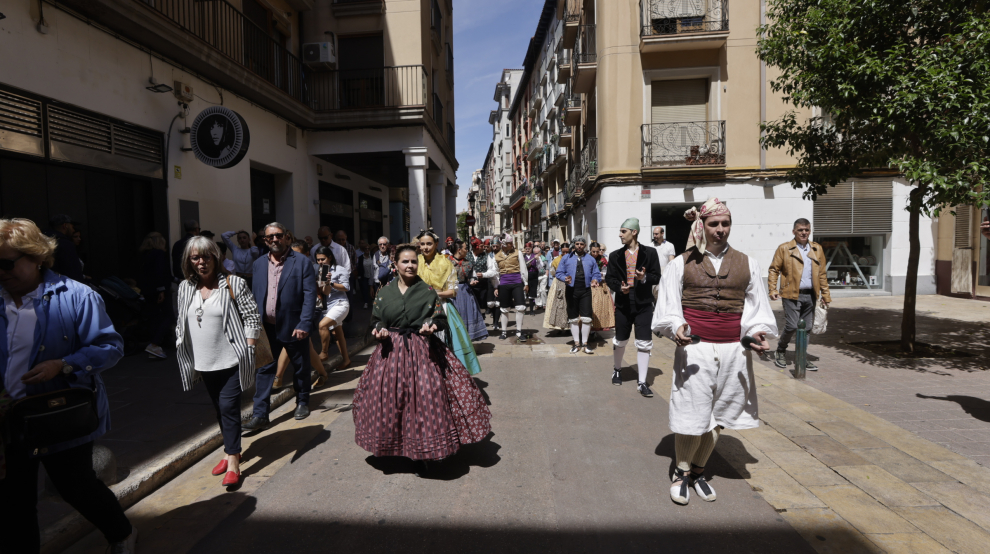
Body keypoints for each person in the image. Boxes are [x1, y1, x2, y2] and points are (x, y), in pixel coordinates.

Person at [0, 218, 136, 554]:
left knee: (76, 488)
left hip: (57, 416)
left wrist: (63, 364)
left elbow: (110, 347)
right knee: (14, 501)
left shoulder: (76, 296)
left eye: (6, 262)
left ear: (35, 257)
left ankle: (121, 532)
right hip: (8, 422)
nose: (0, 271)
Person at [651, 198, 777, 506]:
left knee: (721, 412)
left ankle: (699, 471)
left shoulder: (748, 263)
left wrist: (756, 337)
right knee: (692, 410)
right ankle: (681, 473)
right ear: (702, 227)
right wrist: (677, 327)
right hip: (695, 350)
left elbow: (755, 311)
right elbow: (668, 307)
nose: (720, 229)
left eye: (725, 223)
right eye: (714, 224)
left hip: (734, 351)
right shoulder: (680, 263)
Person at [352, 243, 491, 471]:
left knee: (427, 396)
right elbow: (376, 320)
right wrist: (379, 330)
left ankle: (427, 450)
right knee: (389, 399)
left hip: (422, 350)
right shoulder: (385, 292)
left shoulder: (427, 290)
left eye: (413, 261)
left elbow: (440, 319)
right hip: (390, 353)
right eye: (405, 261)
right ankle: (395, 447)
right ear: (395, 265)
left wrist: (431, 325)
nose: (410, 265)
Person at [175, 237, 261, 488]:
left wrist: (250, 348)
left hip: (232, 358)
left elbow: (252, 316)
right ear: (189, 261)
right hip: (203, 361)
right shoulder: (184, 288)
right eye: (195, 258)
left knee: (228, 408)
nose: (201, 262)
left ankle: (234, 461)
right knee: (219, 409)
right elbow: (183, 321)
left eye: (206, 257)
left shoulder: (233, 284)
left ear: (216, 257)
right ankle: (229, 450)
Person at [245, 222, 317, 429]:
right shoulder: (258, 264)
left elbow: (310, 295)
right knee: (264, 369)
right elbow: (255, 296)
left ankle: (302, 401)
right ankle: (260, 414)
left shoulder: (302, 262)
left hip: (294, 326)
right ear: (265, 240)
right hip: (265, 327)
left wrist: (305, 322)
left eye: (278, 236)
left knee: (301, 366)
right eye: (270, 237)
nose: (274, 240)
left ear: (286, 237)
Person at [605, 219, 662, 397]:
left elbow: (657, 276)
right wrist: (618, 288)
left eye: (623, 231)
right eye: (620, 231)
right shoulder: (615, 256)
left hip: (644, 304)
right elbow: (610, 278)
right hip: (623, 304)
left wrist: (643, 278)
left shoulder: (650, 253)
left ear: (634, 232)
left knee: (644, 343)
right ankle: (617, 370)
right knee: (620, 340)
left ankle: (642, 382)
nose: (620, 235)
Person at [768, 218, 831, 370]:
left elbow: (822, 273)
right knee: (792, 325)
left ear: (810, 231)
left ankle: (801, 356)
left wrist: (826, 295)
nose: (804, 233)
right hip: (791, 294)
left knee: (807, 327)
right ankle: (781, 350)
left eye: (806, 230)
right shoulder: (784, 248)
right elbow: (774, 269)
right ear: (794, 231)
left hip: (810, 295)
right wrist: (773, 289)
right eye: (800, 230)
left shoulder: (816, 249)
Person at [418, 230, 483, 375]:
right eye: (422, 244)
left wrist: (434, 293)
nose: (425, 247)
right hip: (418, 309)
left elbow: (453, 291)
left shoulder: (445, 263)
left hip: (442, 308)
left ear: (436, 244)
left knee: (444, 348)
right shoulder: (416, 261)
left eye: (429, 244)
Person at [273, 243, 330, 390]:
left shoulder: (321, 268)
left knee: (291, 339)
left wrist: (327, 282)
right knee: (306, 345)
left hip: (312, 309)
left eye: (297, 253)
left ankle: (278, 377)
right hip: (292, 309)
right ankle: (323, 373)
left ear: (305, 255)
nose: (292, 257)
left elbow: (326, 291)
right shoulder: (284, 267)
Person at [556, 236, 602, 354]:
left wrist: (595, 280)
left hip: (586, 290)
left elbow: (596, 273)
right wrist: (564, 278)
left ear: (585, 245)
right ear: (574, 245)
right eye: (577, 244)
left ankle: (585, 344)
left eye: (581, 244)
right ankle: (576, 344)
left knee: (586, 318)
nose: (579, 246)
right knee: (573, 318)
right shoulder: (566, 258)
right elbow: (558, 272)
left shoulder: (591, 259)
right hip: (571, 290)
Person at [315, 245, 351, 371]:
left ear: (329, 258)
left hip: (341, 304)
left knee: (322, 325)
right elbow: (325, 292)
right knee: (337, 333)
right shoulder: (322, 271)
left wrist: (332, 283)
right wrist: (326, 283)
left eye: (322, 259)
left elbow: (346, 287)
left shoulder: (340, 269)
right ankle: (346, 360)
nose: (320, 262)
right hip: (328, 306)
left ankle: (324, 352)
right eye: (318, 259)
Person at [137, 231, 172, 359]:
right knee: (167, 316)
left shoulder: (145, 255)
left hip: (148, 290)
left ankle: (154, 346)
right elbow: (160, 272)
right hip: (158, 290)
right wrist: (162, 289)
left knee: (154, 318)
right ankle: (155, 344)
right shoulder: (159, 254)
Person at [450, 239, 489, 342]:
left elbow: (472, 276)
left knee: (468, 314)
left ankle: (467, 342)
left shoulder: (468, 263)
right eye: (465, 248)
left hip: (466, 292)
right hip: (451, 292)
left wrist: (472, 280)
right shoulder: (447, 262)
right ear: (459, 250)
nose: (467, 250)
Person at [494, 234, 529, 341]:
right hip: (504, 284)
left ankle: (519, 331)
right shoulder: (496, 256)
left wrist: (526, 282)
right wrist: (496, 287)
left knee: (521, 307)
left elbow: (523, 268)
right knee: (504, 309)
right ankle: (504, 331)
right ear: (504, 245)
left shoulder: (517, 252)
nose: (512, 245)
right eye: (510, 243)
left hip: (517, 282)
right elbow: (496, 273)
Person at [47, 214, 85, 282]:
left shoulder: (42, 241)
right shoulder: (65, 244)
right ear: (65, 225)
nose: (73, 230)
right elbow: (73, 271)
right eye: (72, 226)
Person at [543, 243, 571, 332]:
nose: (565, 254)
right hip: (559, 282)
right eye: (563, 252)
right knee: (558, 305)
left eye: (567, 252)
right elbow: (552, 272)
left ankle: (569, 326)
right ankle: (558, 326)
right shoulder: (556, 260)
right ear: (560, 251)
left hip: (570, 282)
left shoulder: (573, 259)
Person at [588, 241, 615, 333]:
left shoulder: (603, 260)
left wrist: (599, 275)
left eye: (597, 251)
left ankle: (595, 329)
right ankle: (588, 329)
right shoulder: (586, 258)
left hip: (600, 285)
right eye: (593, 252)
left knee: (599, 308)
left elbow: (605, 272)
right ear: (590, 251)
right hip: (588, 284)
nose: (595, 254)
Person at [359, 240, 374, 308]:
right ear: (363, 250)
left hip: (372, 275)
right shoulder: (361, 258)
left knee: (372, 289)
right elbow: (359, 267)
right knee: (365, 289)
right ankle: (366, 302)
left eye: (368, 248)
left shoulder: (373, 256)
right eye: (366, 249)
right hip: (364, 275)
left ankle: (373, 301)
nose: (367, 250)